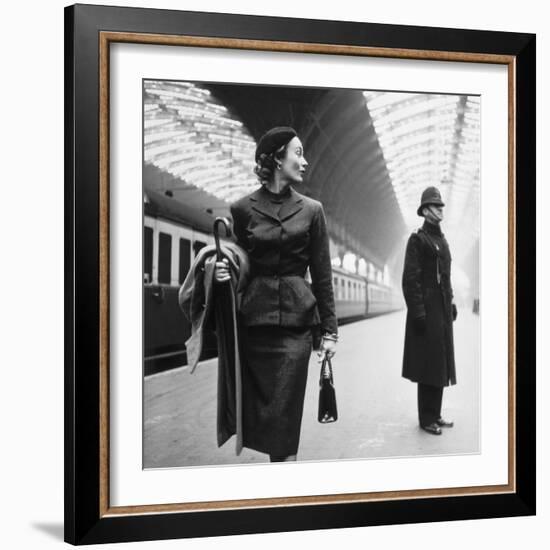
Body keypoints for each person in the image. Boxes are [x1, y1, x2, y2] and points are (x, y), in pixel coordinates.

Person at [215, 126, 338, 462]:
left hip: (297, 328)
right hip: (255, 328)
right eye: (297, 153)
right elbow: (241, 262)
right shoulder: (242, 209)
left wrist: (329, 331)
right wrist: (226, 273)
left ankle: (286, 487)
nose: (305, 160)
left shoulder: (313, 211)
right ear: (277, 159)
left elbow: (323, 276)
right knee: (266, 426)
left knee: (285, 427)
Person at [402, 186, 457, 436]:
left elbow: (446, 277)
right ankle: (426, 419)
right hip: (426, 311)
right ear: (425, 211)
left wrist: (452, 302)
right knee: (428, 365)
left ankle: (436, 414)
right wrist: (419, 313)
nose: (440, 208)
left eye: (441, 205)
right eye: (435, 206)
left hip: (442, 310)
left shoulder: (442, 241)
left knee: (441, 362)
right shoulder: (418, 239)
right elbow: (409, 280)